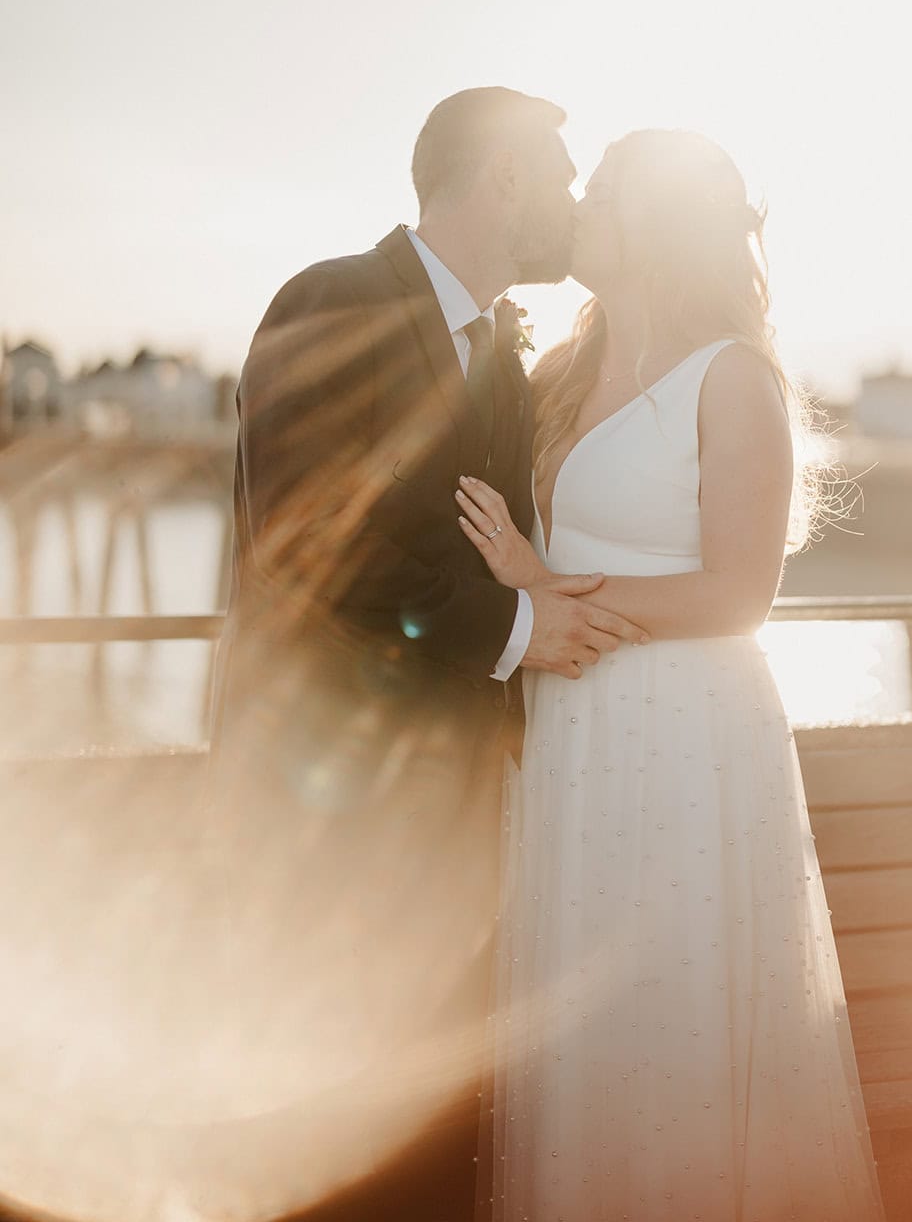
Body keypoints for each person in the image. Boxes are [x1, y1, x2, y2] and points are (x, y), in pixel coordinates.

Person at [208, 88, 646, 1221]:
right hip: (323, 826)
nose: (571, 198)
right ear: (501, 175)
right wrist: (518, 630)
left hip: (458, 837)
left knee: (429, 1149)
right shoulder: (333, 299)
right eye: (558, 172)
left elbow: (495, 553)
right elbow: (310, 550)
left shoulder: (501, 360)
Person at [456, 130, 886, 1220]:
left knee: (680, 1018)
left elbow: (740, 594)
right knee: (587, 1030)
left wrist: (547, 587)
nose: (579, 210)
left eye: (599, 194)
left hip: (691, 736)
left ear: (650, 222)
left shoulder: (732, 376)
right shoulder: (555, 374)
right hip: (574, 733)